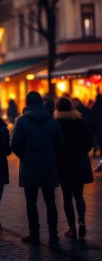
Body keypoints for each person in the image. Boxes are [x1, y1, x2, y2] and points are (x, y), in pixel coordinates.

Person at [11, 90, 63, 245]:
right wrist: (52, 156)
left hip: (29, 167)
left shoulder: (21, 122)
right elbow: (60, 144)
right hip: (49, 166)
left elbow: (15, 145)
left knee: (31, 202)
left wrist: (24, 156)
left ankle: (34, 233)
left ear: (27, 104)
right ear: (41, 103)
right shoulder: (53, 121)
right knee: (50, 202)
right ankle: (53, 235)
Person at [54, 97, 94, 239]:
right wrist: (82, 152)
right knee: (79, 195)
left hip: (64, 163)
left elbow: (55, 144)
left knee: (67, 196)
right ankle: (82, 222)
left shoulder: (57, 123)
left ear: (57, 108)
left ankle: (71, 228)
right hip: (80, 161)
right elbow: (90, 141)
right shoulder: (80, 121)